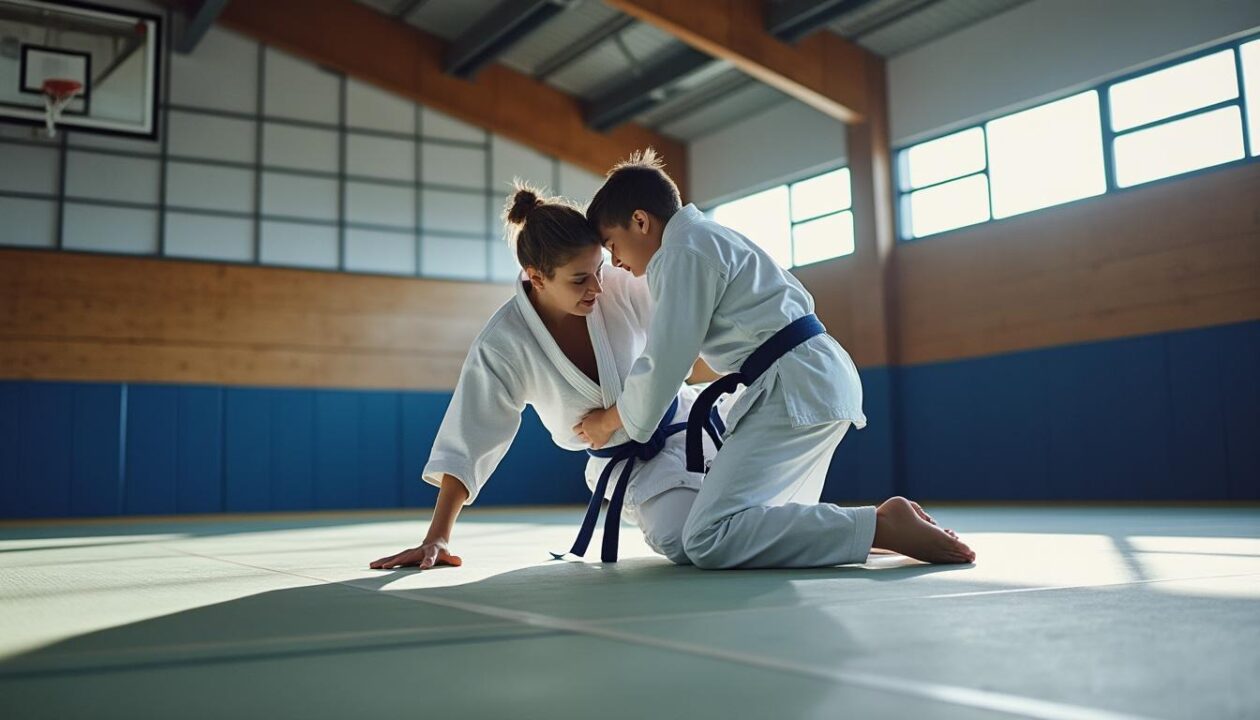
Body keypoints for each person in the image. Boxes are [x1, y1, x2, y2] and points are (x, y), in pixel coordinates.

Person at [576, 150, 976, 570]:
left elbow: (665, 361)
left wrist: (609, 420)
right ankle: (877, 533)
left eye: (612, 245)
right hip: (816, 377)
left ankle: (881, 526)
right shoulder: (710, 237)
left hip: (792, 387)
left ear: (641, 221)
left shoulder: (680, 251)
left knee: (707, 537)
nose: (616, 261)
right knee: (761, 527)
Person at [370, 186, 717, 571]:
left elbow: (679, 345)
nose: (598, 287)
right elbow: (470, 434)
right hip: (633, 466)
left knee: (767, 469)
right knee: (685, 540)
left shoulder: (619, 286)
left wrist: (615, 415)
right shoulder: (505, 342)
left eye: (600, 269)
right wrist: (437, 536)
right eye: (579, 279)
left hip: (693, 420)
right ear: (536, 277)